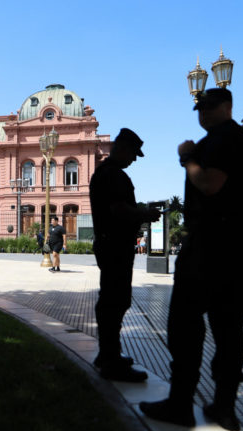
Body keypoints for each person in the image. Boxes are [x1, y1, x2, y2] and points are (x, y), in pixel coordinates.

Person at [140, 88, 243, 431]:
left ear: (227, 106)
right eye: (199, 108)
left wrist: (187, 158)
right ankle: (224, 407)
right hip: (235, 245)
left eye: (209, 107)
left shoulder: (224, 141)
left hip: (212, 246)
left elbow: (210, 184)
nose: (203, 113)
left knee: (185, 325)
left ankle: (181, 403)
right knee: (228, 327)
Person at [89, 128, 160, 382]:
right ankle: (110, 360)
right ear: (121, 148)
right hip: (115, 246)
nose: (134, 159)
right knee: (115, 301)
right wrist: (145, 215)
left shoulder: (103, 173)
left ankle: (107, 354)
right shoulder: (114, 175)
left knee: (111, 300)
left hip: (109, 245)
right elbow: (119, 210)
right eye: (133, 154)